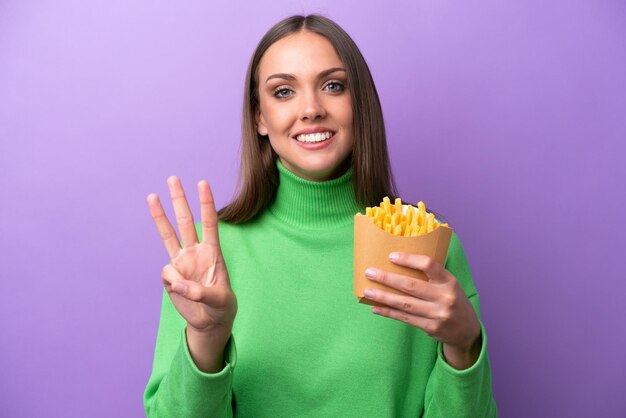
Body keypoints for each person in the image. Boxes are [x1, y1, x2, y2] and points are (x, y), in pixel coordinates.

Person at [144, 14, 497, 417]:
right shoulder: (208, 259)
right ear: (259, 117)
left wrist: (465, 347)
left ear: (358, 103)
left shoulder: (426, 245)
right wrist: (205, 338)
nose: (311, 109)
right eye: (283, 92)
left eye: (332, 86)